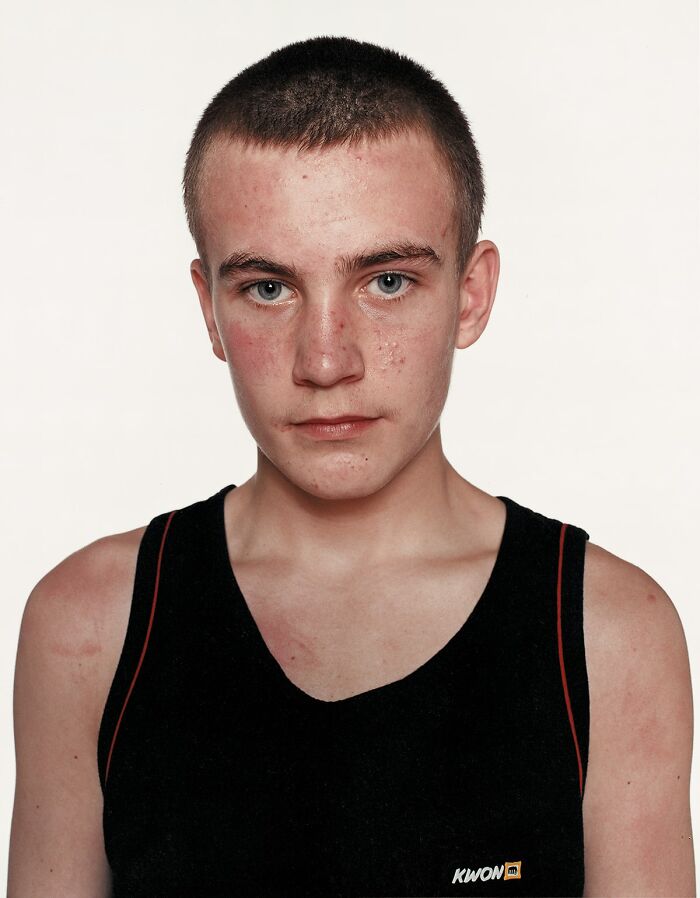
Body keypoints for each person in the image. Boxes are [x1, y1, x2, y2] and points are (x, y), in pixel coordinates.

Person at [8, 35, 694, 898]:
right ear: (209, 310)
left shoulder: (608, 633)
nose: (327, 361)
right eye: (268, 288)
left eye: (387, 282)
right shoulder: (89, 628)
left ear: (471, 294)